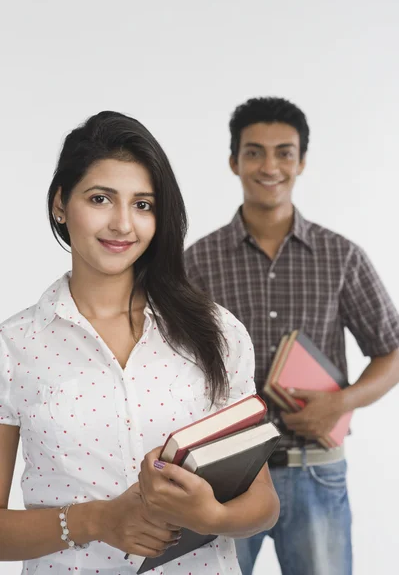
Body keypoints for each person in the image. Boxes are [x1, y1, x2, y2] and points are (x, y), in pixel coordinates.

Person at [0, 110, 280, 575]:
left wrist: (213, 516)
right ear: (60, 204)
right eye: (101, 199)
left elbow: (264, 501)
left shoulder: (217, 332)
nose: (122, 224)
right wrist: (95, 520)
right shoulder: (14, 347)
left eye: (143, 205)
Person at [184, 96, 399, 575]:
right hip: (226, 474)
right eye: (255, 151)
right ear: (234, 161)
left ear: (301, 160)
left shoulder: (340, 256)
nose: (270, 165)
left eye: (284, 152)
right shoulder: (196, 261)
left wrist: (341, 402)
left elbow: (393, 351)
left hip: (314, 469)